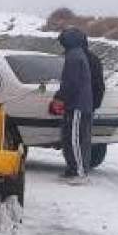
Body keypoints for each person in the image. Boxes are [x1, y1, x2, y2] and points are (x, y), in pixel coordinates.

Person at [53, 27, 94, 180]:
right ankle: (74, 169)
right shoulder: (77, 54)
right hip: (78, 103)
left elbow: (70, 82)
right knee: (75, 138)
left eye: (62, 41)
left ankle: (79, 172)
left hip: (78, 105)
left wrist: (60, 97)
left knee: (75, 139)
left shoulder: (74, 57)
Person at [83, 35, 105, 112]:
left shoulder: (73, 58)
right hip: (91, 101)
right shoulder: (94, 58)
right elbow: (99, 82)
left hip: (78, 103)